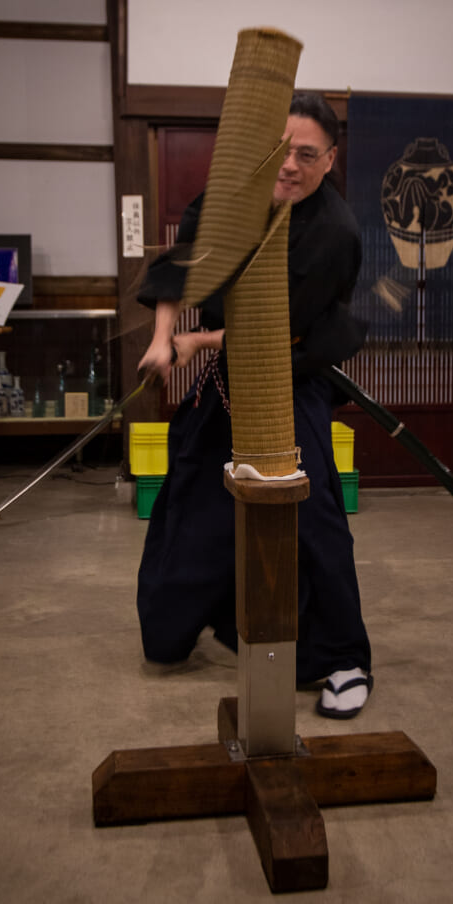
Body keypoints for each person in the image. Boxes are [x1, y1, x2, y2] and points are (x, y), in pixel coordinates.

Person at [135, 92, 373, 719]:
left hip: (292, 376)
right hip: (229, 377)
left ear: (329, 160)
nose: (290, 165)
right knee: (192, 491)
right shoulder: (232, 198)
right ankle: (184, 623)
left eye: (306, 154)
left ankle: (345, 655)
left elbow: (275, 329)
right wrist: (164, 340)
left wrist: (195, 340)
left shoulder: (333, 232)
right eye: (281, 151)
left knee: (312, 510)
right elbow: (178, 268)